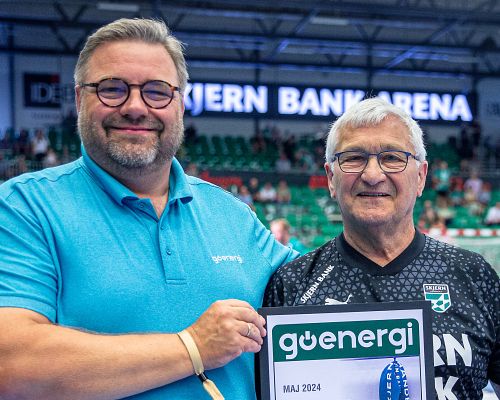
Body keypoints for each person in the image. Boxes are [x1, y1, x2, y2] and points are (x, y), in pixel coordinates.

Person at [0, 18, 297, 400]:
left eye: (157, 92)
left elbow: (322, 291)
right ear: (79, 99)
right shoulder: (24, 208)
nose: (136, 107)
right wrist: (192, 347)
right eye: (112, 89)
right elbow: (12, 363)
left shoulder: (232, 214)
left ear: (180, 105)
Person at [264, 97, 500, 399]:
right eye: (353, 158)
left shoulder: (474, 275)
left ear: (421, 176)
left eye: (392, 157)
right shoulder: (291, 284)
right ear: (331, 178)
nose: (373, 175)